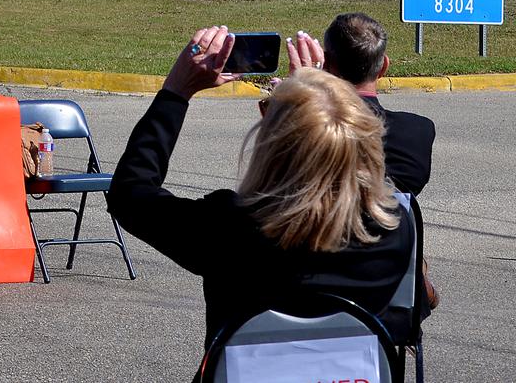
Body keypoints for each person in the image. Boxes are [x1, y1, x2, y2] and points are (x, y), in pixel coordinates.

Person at [106, 26, 414, 349]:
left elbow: (130, 193)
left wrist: (176, 91)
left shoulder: (232, 228)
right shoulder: (393, 232)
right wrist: (322, 97)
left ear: (271, 146)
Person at [287, 13, 435, 196]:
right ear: (383, 67)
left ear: (326, 65)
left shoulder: (307, 131)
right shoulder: (418, 133)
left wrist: (299, 105)